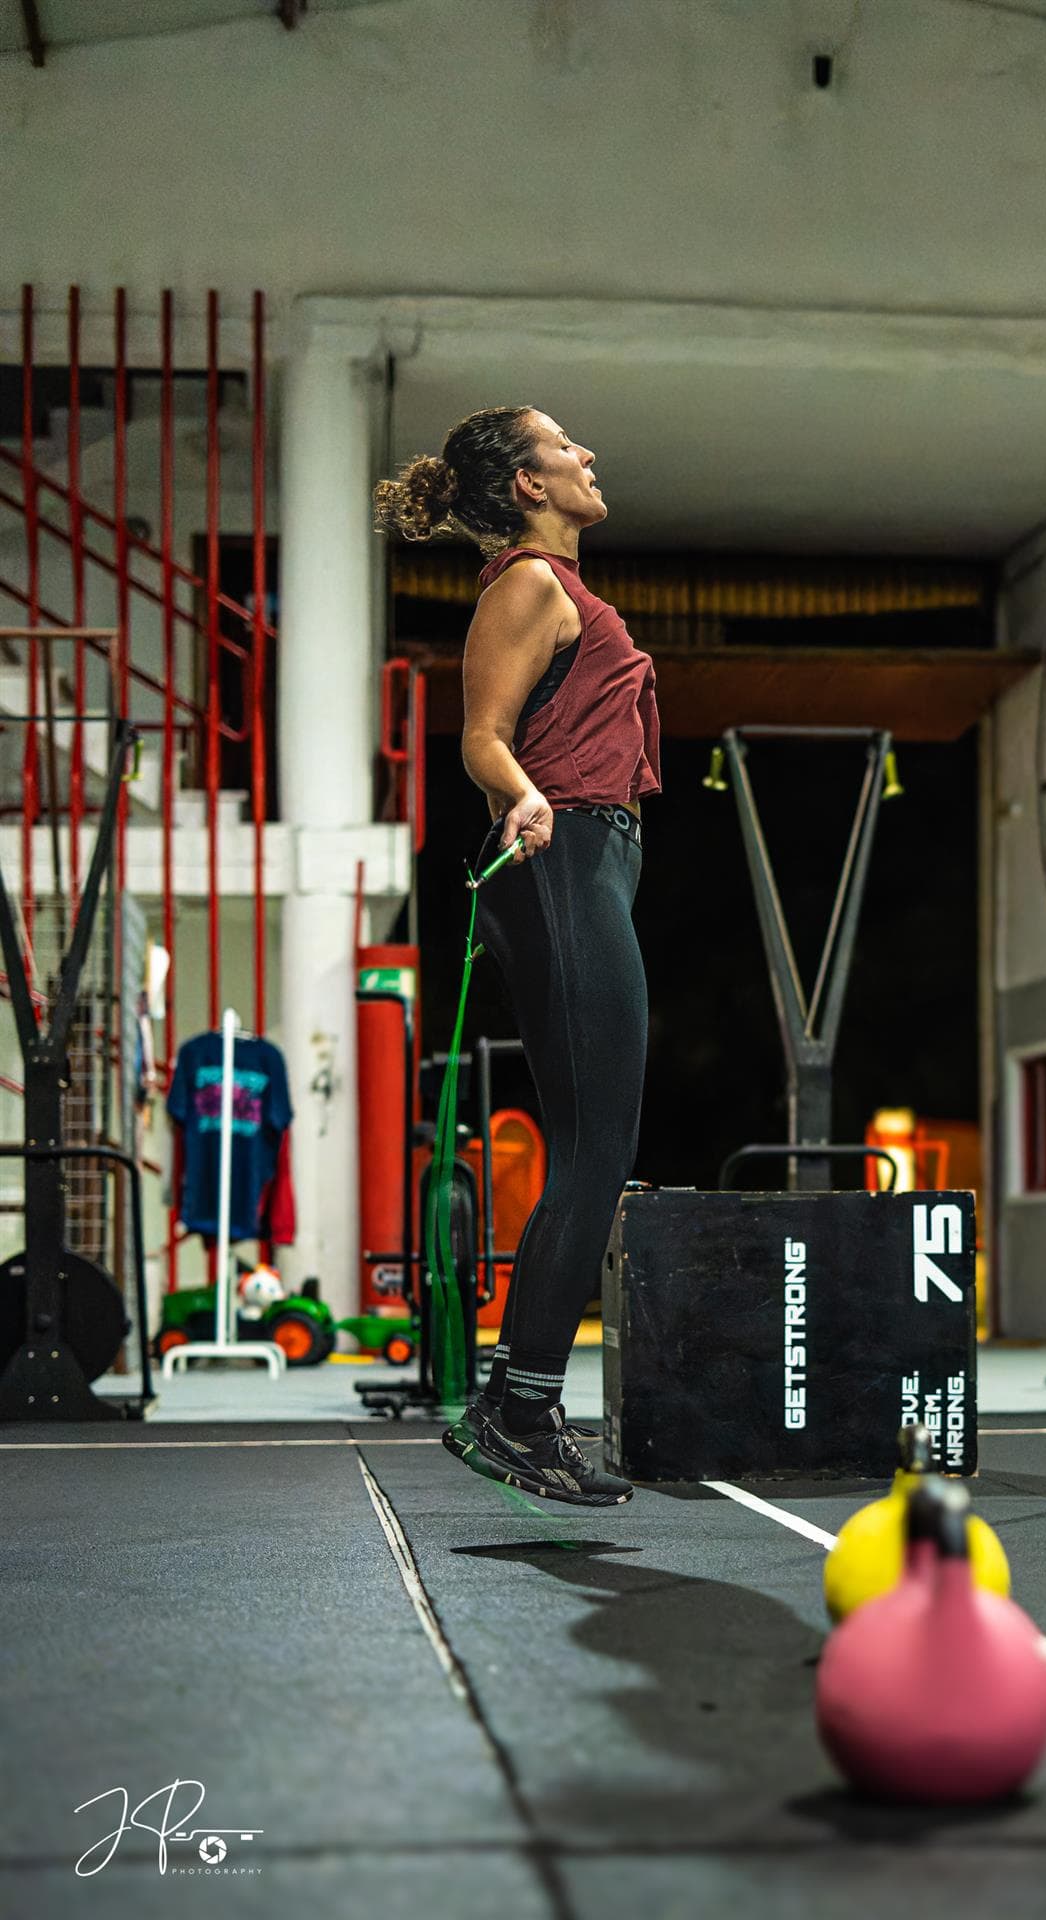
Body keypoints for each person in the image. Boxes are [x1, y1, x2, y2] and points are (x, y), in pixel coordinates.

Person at [374, 406, 660, 1505]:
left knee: (598, 1144)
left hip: (588, 860)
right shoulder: (526, 585)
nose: (587, 452)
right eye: (564, 445)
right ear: (531, 487)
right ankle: (520, 1407)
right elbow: (480, 738)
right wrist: (530, 797)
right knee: (595, 1148)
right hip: (557, 852)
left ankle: (518, 1399)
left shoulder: (556, 587)